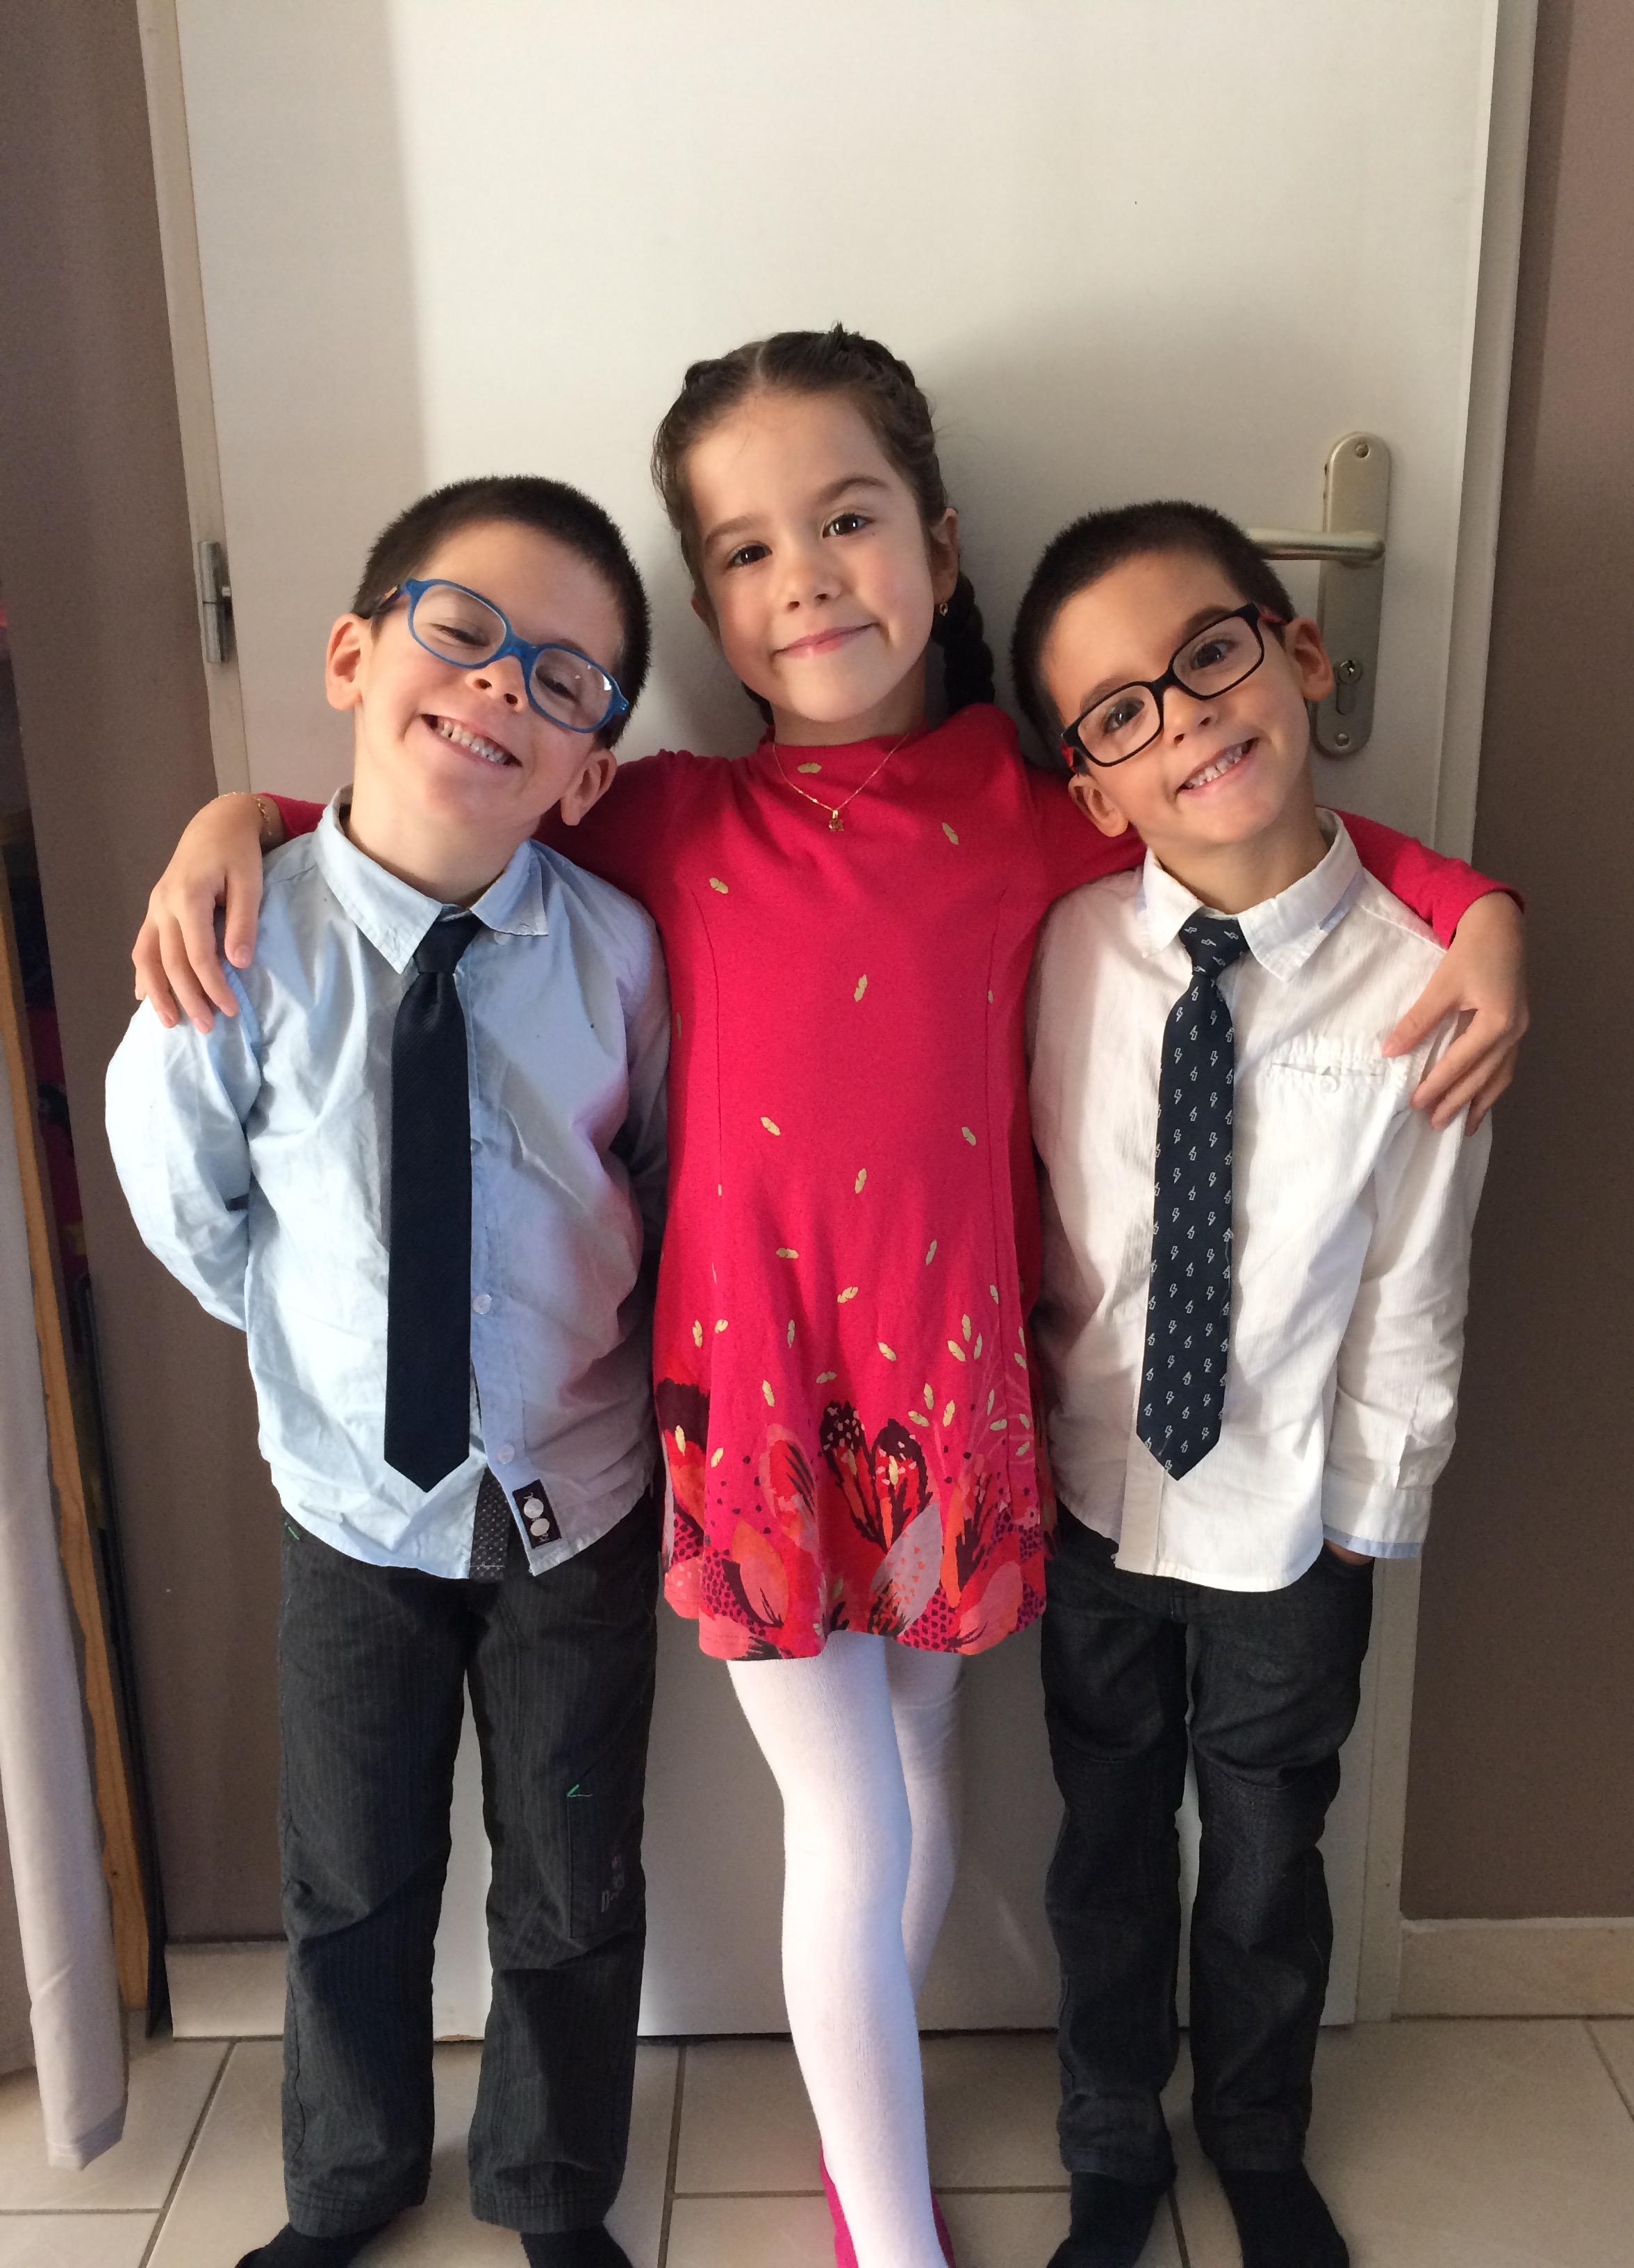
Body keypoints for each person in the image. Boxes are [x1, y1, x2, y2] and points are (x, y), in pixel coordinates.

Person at [129, 331, 1526, 2268]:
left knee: (925, 1773)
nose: (804, 579)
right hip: (756, 1408)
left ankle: (872, 2165)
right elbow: (437, 799)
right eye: (746, 550)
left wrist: (1481, 910)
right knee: (851, 1822)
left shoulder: (1045, 802)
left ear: (940, 550)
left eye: (849, 520)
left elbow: (1261, 835)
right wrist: (249, 821)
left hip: (958, 1399)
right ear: (710, 608)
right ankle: (893, 2231)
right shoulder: (669, 816)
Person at [108, 477, 669, 2268]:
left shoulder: (616, 958)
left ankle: (554, 2189)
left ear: (588, 767)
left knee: (573, 1877)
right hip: (352, 1507)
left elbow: (657, 1179)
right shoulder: (241, 939)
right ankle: (347, 2180)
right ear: (353, 656)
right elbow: (187, 1197)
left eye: (563, 679)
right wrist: (325, 1353)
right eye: (465, 632)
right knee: (349, 1873)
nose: (503, 685)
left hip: (576, 1501)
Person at [1014, 501, 1494, 2268]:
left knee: (1273, 1848)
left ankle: (1258, 2134)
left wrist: (1375, 1512)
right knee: (1106, 1845)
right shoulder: (1062, 951)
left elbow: (1416, 1276)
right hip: (1094, 1499)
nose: (1188, 718)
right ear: (1092, 787)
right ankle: (1107, 2150)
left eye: (1210, 654)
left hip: (1295, 1518)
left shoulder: (1424, 982)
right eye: (1121, 710)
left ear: (1300, 654)